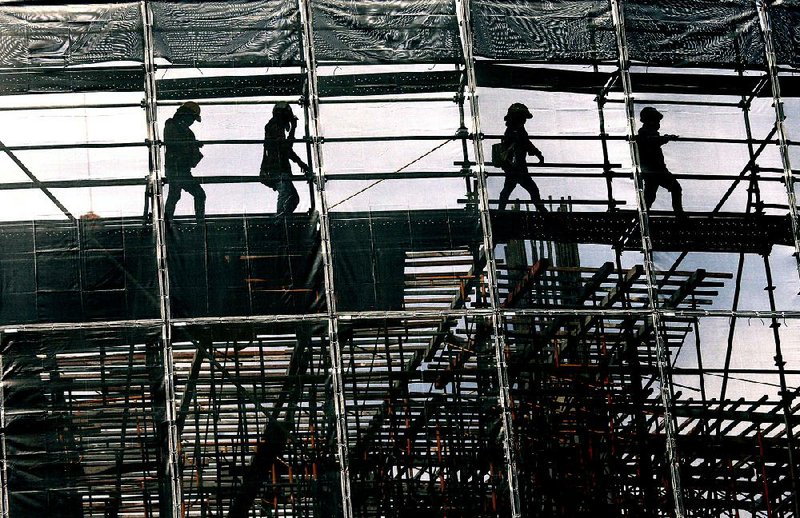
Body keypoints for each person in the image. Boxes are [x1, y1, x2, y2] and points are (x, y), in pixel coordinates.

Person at [260, 102, 310, 216]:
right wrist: (293, 129)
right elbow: (286, 148)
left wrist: (300, 162)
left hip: (276, 169)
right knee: (287, 195)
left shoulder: (274, 125)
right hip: (277, 169)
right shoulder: (275, 126)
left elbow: (285, 148)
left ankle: (282, 219)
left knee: (292, 198)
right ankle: (280, 221)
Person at [497, 102, 547, 212]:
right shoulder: (517, 132)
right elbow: (526, 144)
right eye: (523, 118)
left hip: (512, 166)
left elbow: (525, 144)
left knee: (508, 190)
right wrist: (538, 154)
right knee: (532, 189)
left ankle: (500, 211)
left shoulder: (512, 131)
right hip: (518, 167)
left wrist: (537, 153)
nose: (524, 120)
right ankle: (542, 210)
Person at [163, 101, 206, 223]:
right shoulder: (172, 125)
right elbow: (175, 146)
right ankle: (167, 222)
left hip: (181, 170)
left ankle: (167, 221)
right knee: (180, 195)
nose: (192, 122)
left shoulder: (184, 130)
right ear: (186, 114)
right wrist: (192, 146)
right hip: (176, 169)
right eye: (192, 118)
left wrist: (193, 146)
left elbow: (189, 155)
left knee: (176, 196)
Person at [637, 106, 683, 214]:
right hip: (655, 171)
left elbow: (654, 141)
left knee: (649, 197)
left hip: (653, 170)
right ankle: (679, 215)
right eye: (656, 120)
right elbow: (652, 142)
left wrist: (665, 138)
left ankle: (642, 216)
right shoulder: (644, 133)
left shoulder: (648, 133)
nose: (658, 123)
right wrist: (666, 138)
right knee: (675, 188)